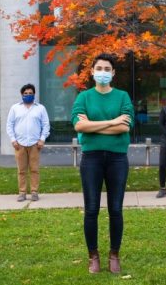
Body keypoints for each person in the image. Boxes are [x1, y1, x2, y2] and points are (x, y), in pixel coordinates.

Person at [71, 53, 134, 274]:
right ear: (92, 71)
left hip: (117, 159)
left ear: (113, 73)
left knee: (116, 209)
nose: (103, 72)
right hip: (92, 159)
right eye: (100, 68)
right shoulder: (83, 98)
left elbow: (125, 128)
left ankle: (114, 255)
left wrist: (94, 125)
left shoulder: (123, 97)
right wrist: (111, 121)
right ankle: (93, 256)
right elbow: (79, 127)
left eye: (107, 69)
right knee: (91, 210)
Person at [6, 83, 51, 202]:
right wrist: (13, 140)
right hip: (19, 144)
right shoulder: (15, 108)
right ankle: (22, 192)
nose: (28, 95)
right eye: (26, 93)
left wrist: (42, 139)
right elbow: (9, 125)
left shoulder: (40, 108)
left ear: (34, 94)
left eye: (30, 93)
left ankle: (34, 192)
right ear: (22, 94)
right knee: (21, 170)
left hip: (35, 144)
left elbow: (46, 125)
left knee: (34, 169)